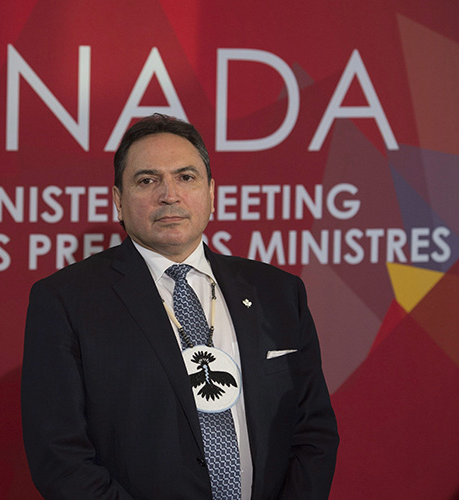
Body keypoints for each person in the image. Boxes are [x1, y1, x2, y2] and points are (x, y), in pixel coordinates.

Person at [21, 114, 339, 500]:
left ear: (211, 193)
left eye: (186, 177)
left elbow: (313, 431)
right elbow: (59, 457)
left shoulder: (279, 293)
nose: (169, 194)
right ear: (118, 201)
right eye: (147, 180)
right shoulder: (65, 301)